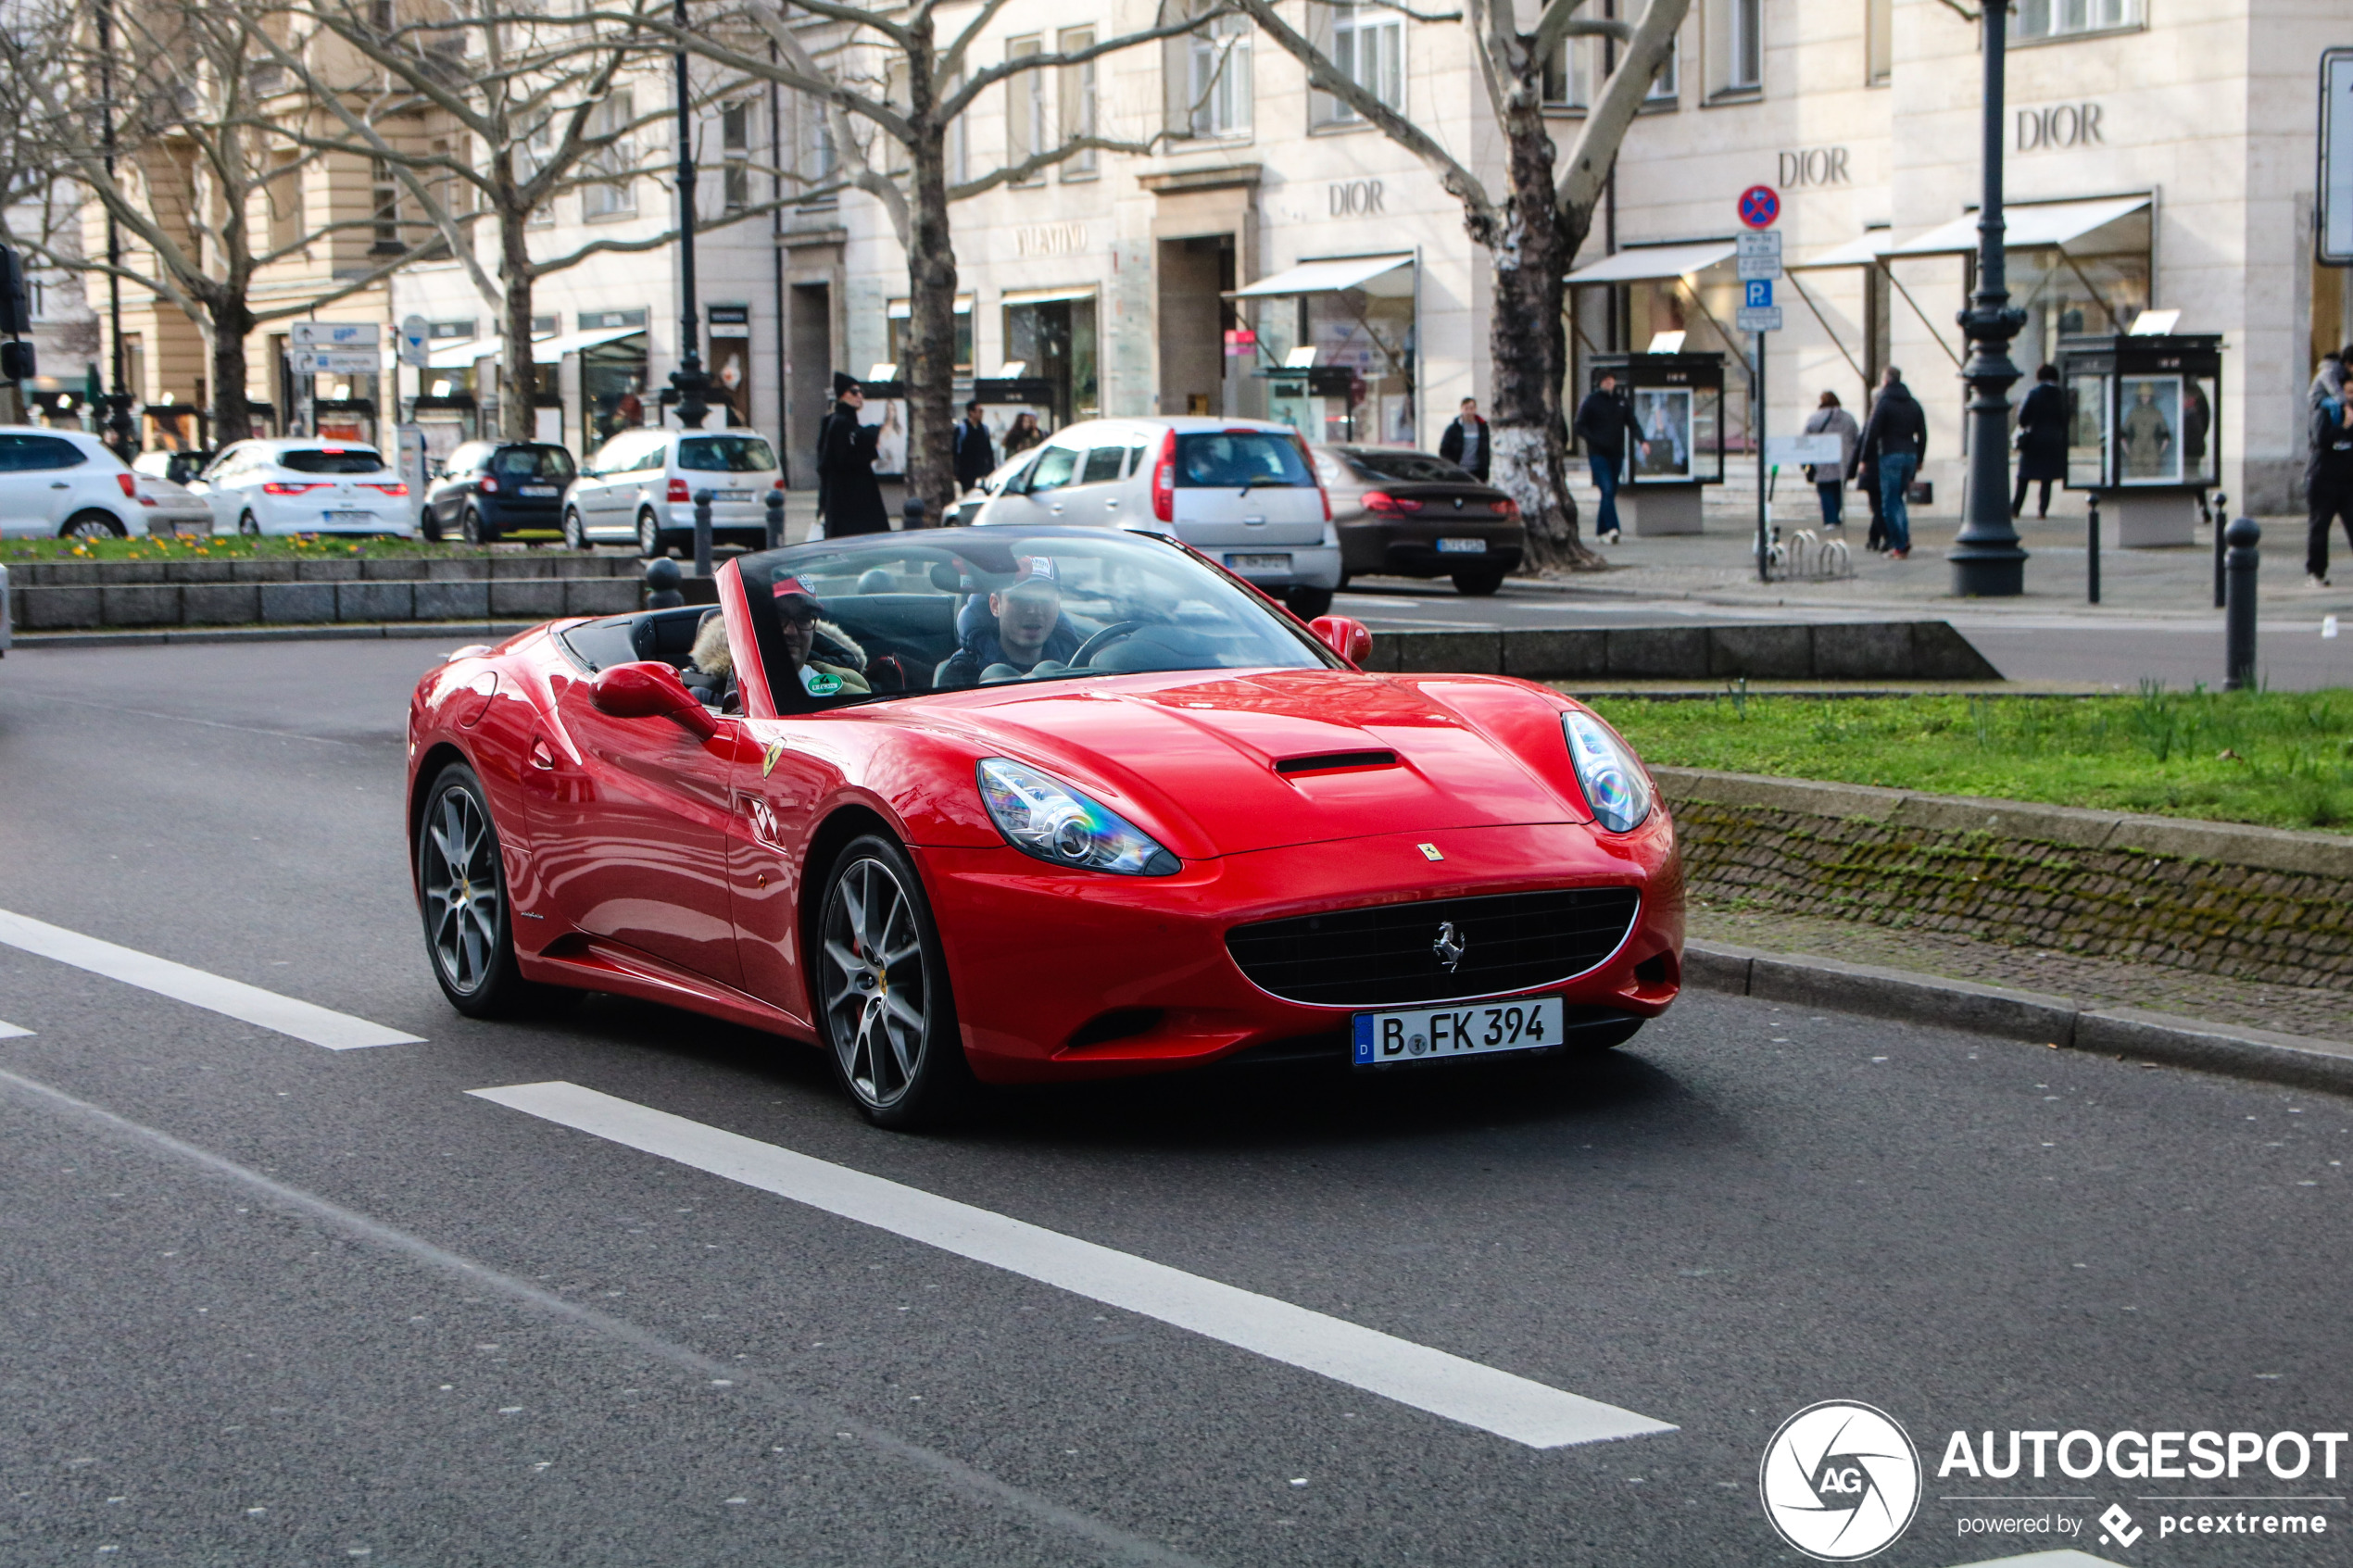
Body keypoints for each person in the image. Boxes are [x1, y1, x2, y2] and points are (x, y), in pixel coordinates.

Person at [934, 556, 1081, 688]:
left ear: (1058, 604)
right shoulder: (962, 674)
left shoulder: (1078, 666)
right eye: (1021, 599)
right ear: (995, 605)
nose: (1034, 610)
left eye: (1045, 599)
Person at [1853, 366, 1927, 558]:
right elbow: (1923, 433)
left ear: (1885, 381)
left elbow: (1872, 432)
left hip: (1890, 454)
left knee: (1889, 503)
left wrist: (1863, 459)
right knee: (1899, 500)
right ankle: (1904, 539)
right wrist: (1919, 457)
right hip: (1910, 454)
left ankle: (1899, 544)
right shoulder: (1913, 403)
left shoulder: (1883, 404)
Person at [1572, 372, 1648, 543]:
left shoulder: (1621, 402)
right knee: (1606, 489)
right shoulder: (1592, 401)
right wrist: (1593, 440)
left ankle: (1600, 531)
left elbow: (1632, 423)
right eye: (1605, 380)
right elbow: (1579, 426)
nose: (1609, 383)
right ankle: (1613, 528)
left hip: (1616, 453)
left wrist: (1642, 441)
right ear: (1600, 383)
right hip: (1598, 453)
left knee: (1610, 492)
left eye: (1611, 380)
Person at [770, 576, 871, 697]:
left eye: (803, 618)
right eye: (779, 618)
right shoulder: (742, 696)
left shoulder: (847, 694)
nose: (791, 631)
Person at [815, 372, 889, 537]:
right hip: (849, 499)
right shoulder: (840, 423)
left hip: (847, 499)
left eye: (860, 392)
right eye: (854, 392)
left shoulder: (840, 421)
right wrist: (870, 444)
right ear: (843, 395)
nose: (859, 396)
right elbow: (842, 459)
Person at [2308, 377, 2353, 587]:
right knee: (2320, 527)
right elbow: (2321, 439)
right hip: (2324, 479)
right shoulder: (2327, 410)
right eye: (2349, 392)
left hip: (2347, 481)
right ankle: (2317, 573)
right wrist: (2344, 426)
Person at [2011, 363, 2068, 521]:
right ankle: (2042, 511)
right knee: (2046, 479)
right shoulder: (2061, 396)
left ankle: (2015, 509)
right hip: (2053, 442)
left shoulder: (2034, 394)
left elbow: (2023, 419)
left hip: (2033, 441)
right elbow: (2065, 419)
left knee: (2023, 478)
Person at [1802, 390, 1859, 530]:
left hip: (1822, 461)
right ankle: (1835, 516)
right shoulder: (1849, 418)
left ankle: (1830, 520)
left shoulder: (1815, 419)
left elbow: (1805, 441)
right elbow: (1857, 438)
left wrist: (1804, 462)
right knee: (1839, 489)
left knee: (1825, 490)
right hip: (1844, 461)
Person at [2119, 381, 2174, 482]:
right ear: (2139, 397)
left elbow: (2166, 435)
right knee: (2135, 477)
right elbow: (2122, 434)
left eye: (2147, 396)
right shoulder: (2134, 412)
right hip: (2136, 449)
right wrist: (2128, 451)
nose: (2145, 398)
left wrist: (2159, 452)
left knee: (2152, 476)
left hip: (2151, 450)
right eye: (2142, 396)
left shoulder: (2156, 413)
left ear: (2151, 397)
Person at [1438, 396, 1491, 481]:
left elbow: (1486, 450)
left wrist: (1486, 470)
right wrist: (1449, 467)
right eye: (1466, 409)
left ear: (1475, 409)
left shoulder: (1482, 428)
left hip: (1477, 472)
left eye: (1471, 408)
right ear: (1461, 409)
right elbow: (1444, 450)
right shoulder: (1453, 428)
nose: (1469, 412)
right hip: (1458, 471)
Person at [953, 399, 997, 492]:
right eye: (979, 411)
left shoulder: (984, 429)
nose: (981, 414)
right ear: (971, 412)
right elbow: (956, 451)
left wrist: (991, 468)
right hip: (966, 471)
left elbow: (988, 450)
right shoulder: (962, 429)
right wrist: (956, 471)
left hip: (981, 470)